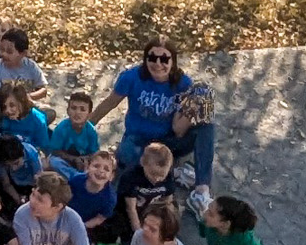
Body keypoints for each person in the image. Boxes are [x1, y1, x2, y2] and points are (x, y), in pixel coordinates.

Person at [88, 39, 217, 212]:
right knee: (130, 162)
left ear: (173, 62)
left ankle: (201, 191)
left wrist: (193, 109)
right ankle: (174, 171)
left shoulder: (183, 83)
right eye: (152, 58)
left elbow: (179, 131)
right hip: (139, 140)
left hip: (167, 141)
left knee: (206, 128)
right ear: (145, 59)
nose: (158, 64)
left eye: (164, 59)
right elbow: (110, 103)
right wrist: (85, 128)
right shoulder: (132, 77)